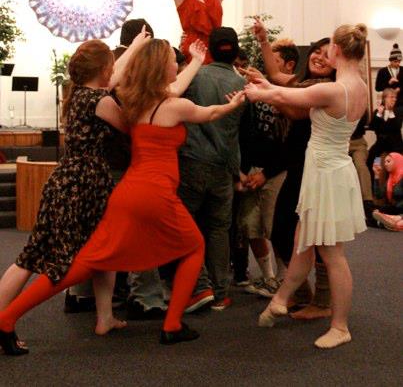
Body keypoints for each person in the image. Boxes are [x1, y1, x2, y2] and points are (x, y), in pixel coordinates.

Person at [0, 38, 245, 355]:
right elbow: (210, 113)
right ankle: (171, 325)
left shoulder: (134, 101)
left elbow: (151, 87)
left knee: (84, 264)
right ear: (161, 67)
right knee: (195, 247)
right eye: (173, 61)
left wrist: (187, 61)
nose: (177, 64)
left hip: (126, 192)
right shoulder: (171, 105)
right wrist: (235, 102)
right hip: (152, 193)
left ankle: (7, 318)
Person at [0, 33, 149, 352]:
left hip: (69, 181)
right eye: (111, 65)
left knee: (66, 251)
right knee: (65, 260)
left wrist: (135, 46)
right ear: (103, 70)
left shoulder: (79, 93)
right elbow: (131, 127)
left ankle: (105, 317)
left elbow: (113, 75)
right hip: (84, 185)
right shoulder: (101, 101)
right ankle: (5, 320)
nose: (115, 70)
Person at [245, 23, 368, 349]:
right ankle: (281, 301)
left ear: (336, 51)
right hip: (327, 171)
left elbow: (285, 94)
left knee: (332, 254)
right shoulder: (360, 86)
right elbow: (287, 88)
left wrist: (259, 91)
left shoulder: (335, 89)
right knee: (302, 242)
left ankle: (340, 326)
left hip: (326, 174)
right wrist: (264, 83)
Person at [248, 21, 335, 320]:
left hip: (316, 168)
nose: (319, 57)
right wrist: (263, 42)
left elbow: (296, 110)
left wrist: (266, 92)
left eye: (328, 54)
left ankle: (321, 301)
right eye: (317, 51)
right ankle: (303, 293)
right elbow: (275, 75)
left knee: (316, 235)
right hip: (300, 166)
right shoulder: (301, 81)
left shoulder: (325, 87)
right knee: (284, 230)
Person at [177, 27, 246, 311]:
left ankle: (198, 286)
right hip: (224, 168)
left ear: (211, 49)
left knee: (187, 226)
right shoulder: (242, 84)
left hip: (192, 162)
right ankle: (221, 292)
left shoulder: (197, 76)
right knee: (219, 230)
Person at [237, 39, 299, 298]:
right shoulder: (258, 88)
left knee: (278, 228)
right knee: (250, 226)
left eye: (274, 59)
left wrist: (266, 173)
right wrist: (243, 171)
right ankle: (269, 278)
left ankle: (289, 283)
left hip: (278, 172)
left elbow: (291, 145)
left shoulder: (295, 92)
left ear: (289, 64)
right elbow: (245, 130)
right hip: (252, 169)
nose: (268, 65)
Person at [367, 88, 403, 182]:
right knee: (374, 161)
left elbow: (396, 127)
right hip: (380, 147)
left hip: (395, 147)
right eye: (391, 97)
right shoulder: (378, 111)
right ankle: (376, 187)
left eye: (395, 97)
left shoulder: (398, 111)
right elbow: (372, 127)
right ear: (384, 99)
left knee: (395, 164)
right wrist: (379, 114)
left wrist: (390, 112)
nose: (394, 99)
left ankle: (394, 189)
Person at [372, 152, 403, 229]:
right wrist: (376, 176)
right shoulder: (390, 179)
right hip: (396, 209)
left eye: (388, 161)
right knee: (374, 212)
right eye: (385, 162)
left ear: (397, 162)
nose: (385, 164)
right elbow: (379, 195)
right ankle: (394, 221)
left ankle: (395, 220)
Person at [375, 43, 403, 111]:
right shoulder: (382, 71)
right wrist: (389, 83)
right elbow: (377, 88)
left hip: (401, 104)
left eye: (399, 61)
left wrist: (399, 89)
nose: (398, 63)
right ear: (390, 60)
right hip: (387, 103)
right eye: (395, 61)